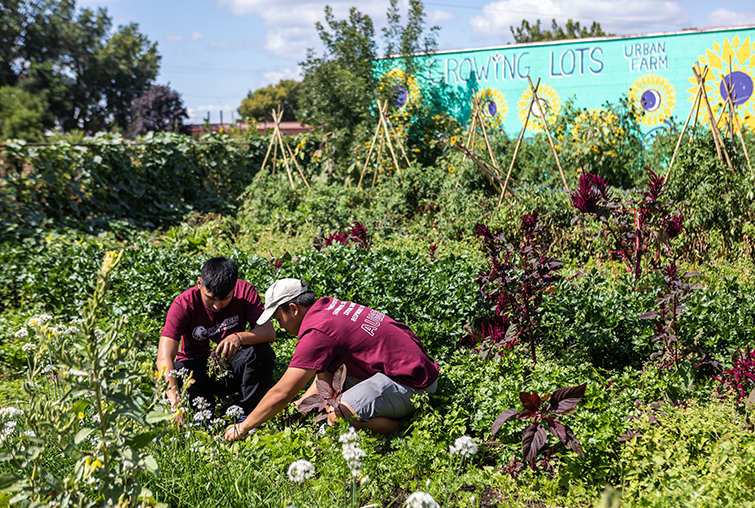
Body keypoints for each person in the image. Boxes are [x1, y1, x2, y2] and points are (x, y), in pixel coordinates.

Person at [224, 278, 439, 441]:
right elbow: (324, 379)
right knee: (330, 401)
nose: (280, 326)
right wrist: (301, 406)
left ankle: (405, 428)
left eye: (279, 318)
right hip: (415, 367)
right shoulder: (326, 308)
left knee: (337, 416)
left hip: (412, 384)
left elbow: (282, 392)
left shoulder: (317, 332)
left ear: (293, 308)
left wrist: (243, 427)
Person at [156, 257, 276, 419]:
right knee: (173, 374)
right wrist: (175, 403)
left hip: (231, 364)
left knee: (263, 352)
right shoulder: (183, 304)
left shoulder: (245, 292)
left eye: (224, 299)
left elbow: (269, 332)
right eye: (211, 298)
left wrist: (239, 337)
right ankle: (206, 412)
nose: (217, 306)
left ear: (234, 288)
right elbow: (164, 358)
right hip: (197, 372)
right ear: (199, 283)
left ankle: (243, 410)